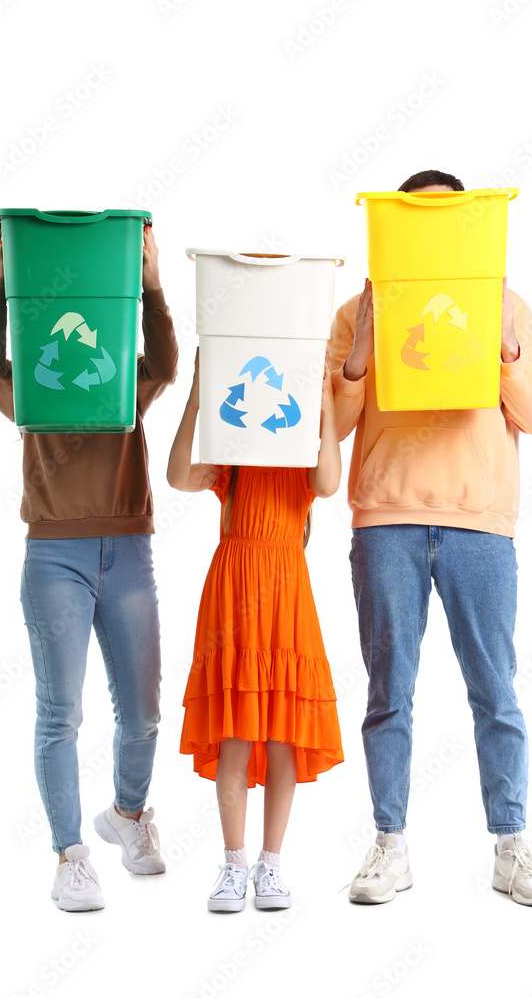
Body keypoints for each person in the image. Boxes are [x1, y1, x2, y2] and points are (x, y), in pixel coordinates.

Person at [329, 169, 532, 907]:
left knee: (494, 689)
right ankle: (388, 844)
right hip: (385, 520)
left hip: (478, 523)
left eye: (444, 222)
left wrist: (501, 341)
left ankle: (510, 844)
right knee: (387, 692)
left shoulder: (507, 304)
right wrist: (359, 353)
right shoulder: (354, 309)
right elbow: (326, 428)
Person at [0, 221, 178, 911]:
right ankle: (70, 855)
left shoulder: (124, 384)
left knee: (143, 711)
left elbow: (167, 364)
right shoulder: (33, 388)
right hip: (52, 554)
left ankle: (126, 815)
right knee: (60, 712)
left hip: (128, 549)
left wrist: (149, 285)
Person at [167, 349, 344, 911]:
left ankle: (271, 864)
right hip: (235, 596)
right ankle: (233, 863)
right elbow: (176, 475)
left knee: (281, 733)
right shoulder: (234, 456)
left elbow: (331, 480)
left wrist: (323, 402)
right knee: (237, 733)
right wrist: (198, 395)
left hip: (286, 594)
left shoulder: (299, 462)